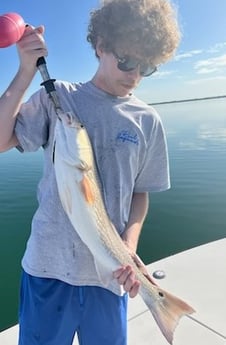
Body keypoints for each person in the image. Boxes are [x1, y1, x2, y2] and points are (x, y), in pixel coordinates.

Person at [0, 0, 180, 344]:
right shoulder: (61, 100)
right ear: (100, 47)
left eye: (147, 67)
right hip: (47, 271)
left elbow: (140, 193)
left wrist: (128, 244)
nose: (135, 75)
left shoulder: (148, 121)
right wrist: (25, 71)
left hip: (109, 276)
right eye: (127, 61)